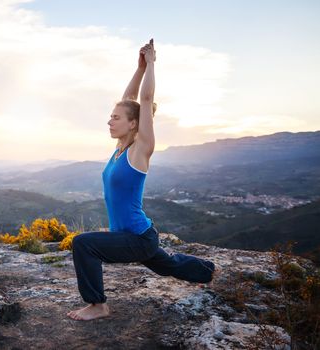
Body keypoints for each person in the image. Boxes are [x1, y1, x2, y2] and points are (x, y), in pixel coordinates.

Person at [67, 39, 220, 321]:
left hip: (137, 238)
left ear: (133, 123)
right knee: (167, 265)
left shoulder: (140, 149)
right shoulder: (120, 149)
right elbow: (129, 100)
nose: (109, 122)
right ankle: (210, 271)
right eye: (110, 117)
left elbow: (144, 102)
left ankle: (98, 305)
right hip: (133, 236)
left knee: (83, 243)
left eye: (115, 118)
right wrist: (137, 69)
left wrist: (151, 64)